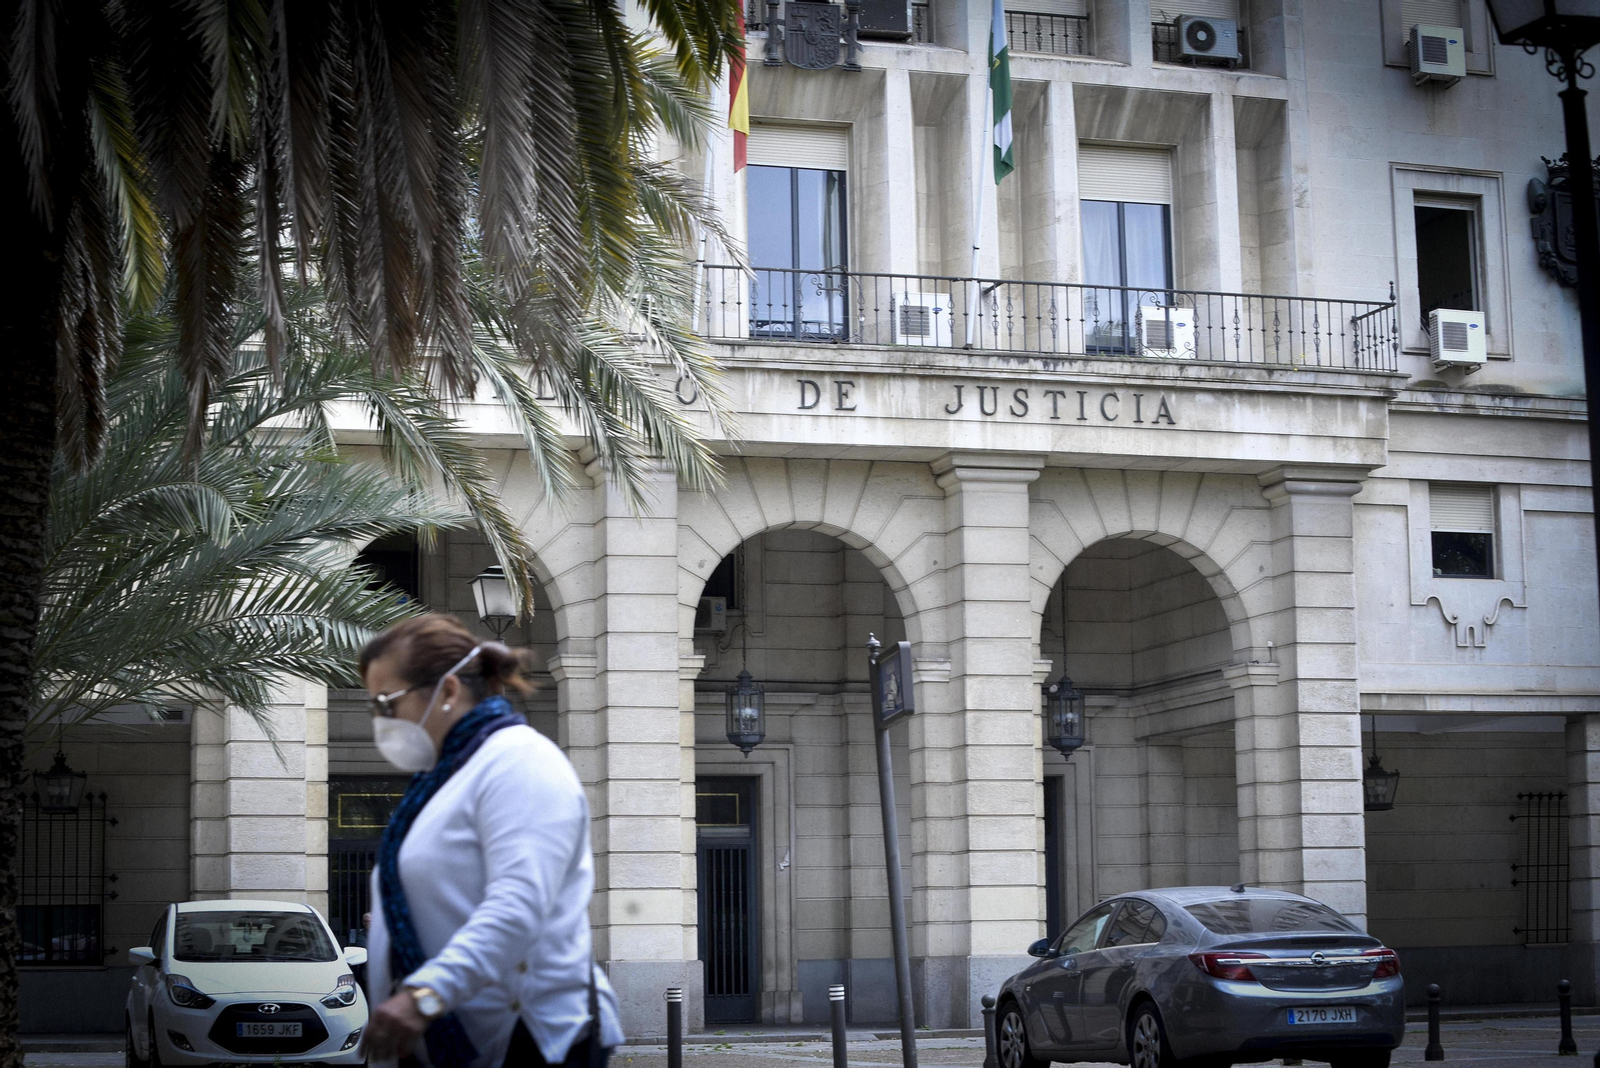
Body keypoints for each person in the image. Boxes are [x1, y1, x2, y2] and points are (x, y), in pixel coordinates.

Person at [358, 613, 623, 1068]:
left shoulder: (522, 762)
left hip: (527, 1042)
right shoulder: (444, 777)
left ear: (447, 691)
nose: (380, 721)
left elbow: (517, 905)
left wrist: (424, 996)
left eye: (386, 703)